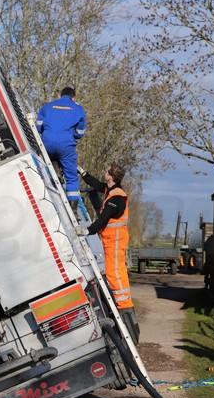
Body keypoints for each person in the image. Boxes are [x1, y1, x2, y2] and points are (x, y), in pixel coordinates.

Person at [75, 163, 139, 344]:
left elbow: (103, 219)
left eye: (106, 171)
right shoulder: (112, 191)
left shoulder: (117, 196)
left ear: (110, 176)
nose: (104, 173)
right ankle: (123, 305)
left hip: (116, 240)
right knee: (115, 272)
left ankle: (124, 307)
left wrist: (88, 231)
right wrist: (82, 171)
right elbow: (97, 185)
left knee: (114, 273)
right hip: (112, 240)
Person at [36, 87, 86, 212]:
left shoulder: (47, 106)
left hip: (46, 143)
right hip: (66, 145)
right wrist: (70, 135)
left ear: (60, 96)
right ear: (73, 98)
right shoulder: (78, 108)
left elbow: (38, 127)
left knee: (49, 157)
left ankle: (55, 169)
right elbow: (80, 132)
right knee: (71, 177)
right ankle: (73, 209)